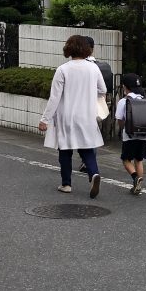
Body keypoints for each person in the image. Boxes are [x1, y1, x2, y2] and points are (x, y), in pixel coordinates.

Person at [38, 34, 105, 198]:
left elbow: (55, 97)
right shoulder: (93, 68)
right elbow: (102, 90)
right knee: (87, 148)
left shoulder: (63, 69)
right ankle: (93, 174)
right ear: (87, 50)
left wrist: (44, 119)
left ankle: (66, 184)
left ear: (69, 49)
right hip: (87, 115)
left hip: (66, 116)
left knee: (65, 150)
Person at [115, 73, 146, 196]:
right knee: (139, 160)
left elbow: (119, 119)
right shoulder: (144, 100)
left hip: (129, 136)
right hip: (144, 135)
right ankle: (139, 185)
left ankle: (135, 178)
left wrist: (123, 128)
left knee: (126, 159)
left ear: (125, 87)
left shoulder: (124, 101)